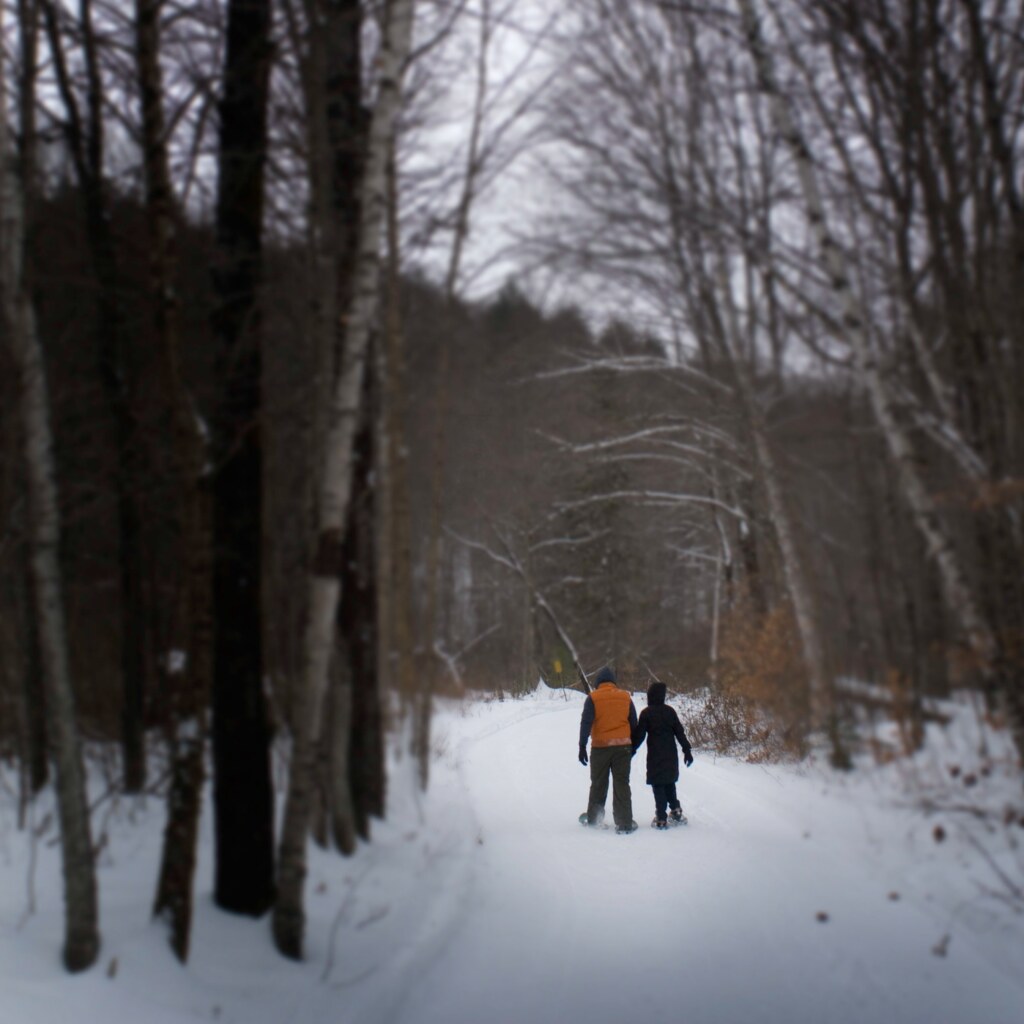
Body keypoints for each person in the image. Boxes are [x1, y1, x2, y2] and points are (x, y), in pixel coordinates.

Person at [578, 666, 638, 834]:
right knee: (622, 784)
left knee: (598, 783)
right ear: (613, 682)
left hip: (600, 748)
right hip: (623, 748)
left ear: (598, 683)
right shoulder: (625, 697)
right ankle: (624, 823)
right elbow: (634, 724)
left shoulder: (593, 697)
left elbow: (586, 723)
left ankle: (594, 819)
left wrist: (582, 746)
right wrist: (632, 746)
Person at [633, 680, 693, 829]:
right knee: (670, 783)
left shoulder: (646, 714)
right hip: (670, 755)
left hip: (655, 756)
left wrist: (630, 750)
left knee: (658, 785)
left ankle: (661, 818)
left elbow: (640, 736)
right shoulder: (670, 711)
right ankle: (676, 811)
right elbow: (680, 732)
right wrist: (687, 750)